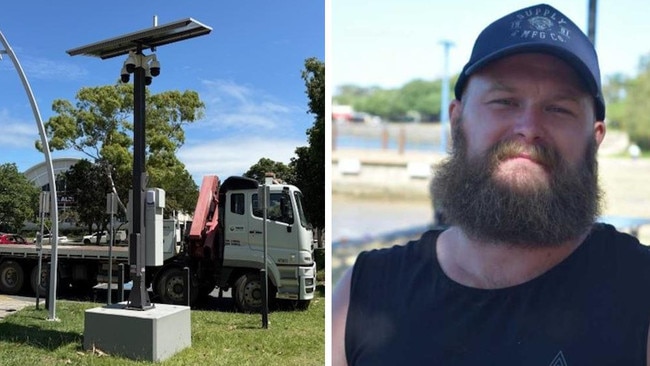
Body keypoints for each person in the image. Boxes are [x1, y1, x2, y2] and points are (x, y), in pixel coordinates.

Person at [331, 4, 650, 365]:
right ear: (457, 121)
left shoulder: (640, 294)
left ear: (595, 139)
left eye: (559, 108)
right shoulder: (362, 292)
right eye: (504, 101)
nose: (528, 127)